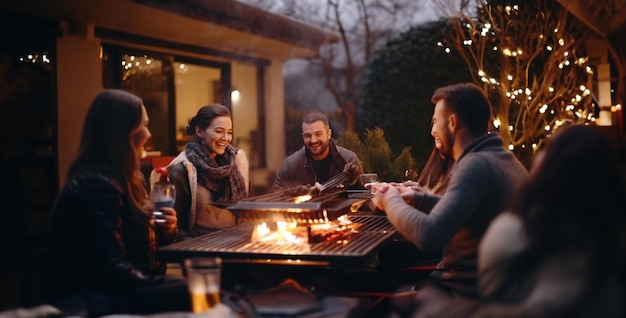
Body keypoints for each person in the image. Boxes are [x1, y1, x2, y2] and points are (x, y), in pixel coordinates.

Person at [414, 124, 626, 318]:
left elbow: (521, 310)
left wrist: (436, 307)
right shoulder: (606, 241)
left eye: (548, 148)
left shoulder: (524, 233)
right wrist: (419, 198)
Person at [371, 82, 528, 299]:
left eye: (436, 121)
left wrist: (389, 199)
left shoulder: (475, 165)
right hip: (492, 288)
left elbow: (429, 235)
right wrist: (419, 199)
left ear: (452, 122)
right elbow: (470, 212)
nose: (432, 130)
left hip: (466, 296)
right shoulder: (500, 157)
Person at [44, 89, 189, 316]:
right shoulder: (97, 184)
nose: (149, 134)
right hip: (94, 297)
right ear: (124, 132)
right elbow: (111, 269)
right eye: (144, 125)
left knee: (198, 287)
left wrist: (165, 230)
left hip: (117, 289)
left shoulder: (128, 179)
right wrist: (162, 285)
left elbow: (138, 248)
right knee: (192, 290)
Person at [168, 104, 249, 239]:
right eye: (219, 131)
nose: (225, 138)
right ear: (199, 131)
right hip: (201, 249)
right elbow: (177, 228)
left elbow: (245, 213)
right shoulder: (183, 170)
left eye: (229, 132)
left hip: (237, 241)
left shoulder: (236, 163)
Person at [272, 111, 364, 191]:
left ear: (328, 134)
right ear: (303, 136)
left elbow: (363, 198)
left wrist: (352, 182)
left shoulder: (348, 159)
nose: (313, 140)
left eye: (318, 134)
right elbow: (275, 198)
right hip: (304, 211)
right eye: (308, 135)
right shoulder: (290, 165)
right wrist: (297, 193)